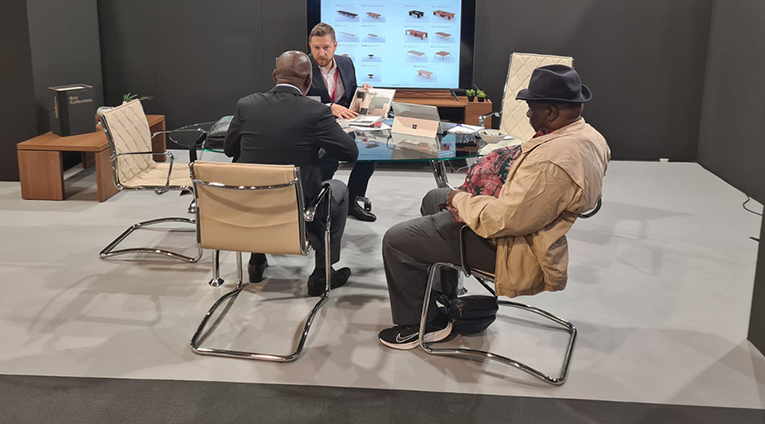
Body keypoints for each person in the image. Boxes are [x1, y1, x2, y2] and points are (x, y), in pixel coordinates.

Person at [378, 64, 611, 349]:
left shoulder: (551, 160)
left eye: (532, 108)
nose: (528, 114)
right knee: (433, 197)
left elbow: (502, 220)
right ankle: (444, 292)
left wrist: (458, 199)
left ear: (551, 112)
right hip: (530, 227)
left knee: (397, 240)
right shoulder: (591, 137)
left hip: (513, 248)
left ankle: (421, 324)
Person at [224, 51, 359, 296]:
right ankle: (322, 273)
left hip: (250, 200)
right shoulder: (316, 112)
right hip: (300, 205)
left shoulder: (246, 105)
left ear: (275, 76)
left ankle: (256, 261)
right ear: (308, 81)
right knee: (338, 190)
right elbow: (350, 152)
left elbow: (229, 149)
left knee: (260, 183)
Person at [308, 22, 378, 222]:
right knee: (328, 157)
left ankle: (352, 201)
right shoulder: (303, 66)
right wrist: (328, 107)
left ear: (335, 46)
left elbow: (351, 91)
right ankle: (318, 203)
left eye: (326, 47)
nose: (321, 53)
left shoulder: (346, 63)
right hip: (317, 126)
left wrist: (363, 91)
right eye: (316, 48)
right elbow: (298, 100)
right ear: (310, 46)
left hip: (347, 124)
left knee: (370, 154)